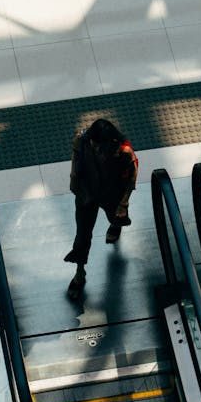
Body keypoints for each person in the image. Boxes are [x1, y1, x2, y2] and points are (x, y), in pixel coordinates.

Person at [62, 118, 138, 301]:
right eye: (93, 144)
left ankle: (115, 224)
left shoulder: (123, 151)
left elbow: (131, 176)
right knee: (82, 234)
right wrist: (73, 178)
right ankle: (80, 273)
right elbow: (76, 153)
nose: (95, 148)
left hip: (111, 193)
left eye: (99, 145)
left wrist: (124, 202)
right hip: (87, 193)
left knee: (115, 216)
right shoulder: (84, 139)